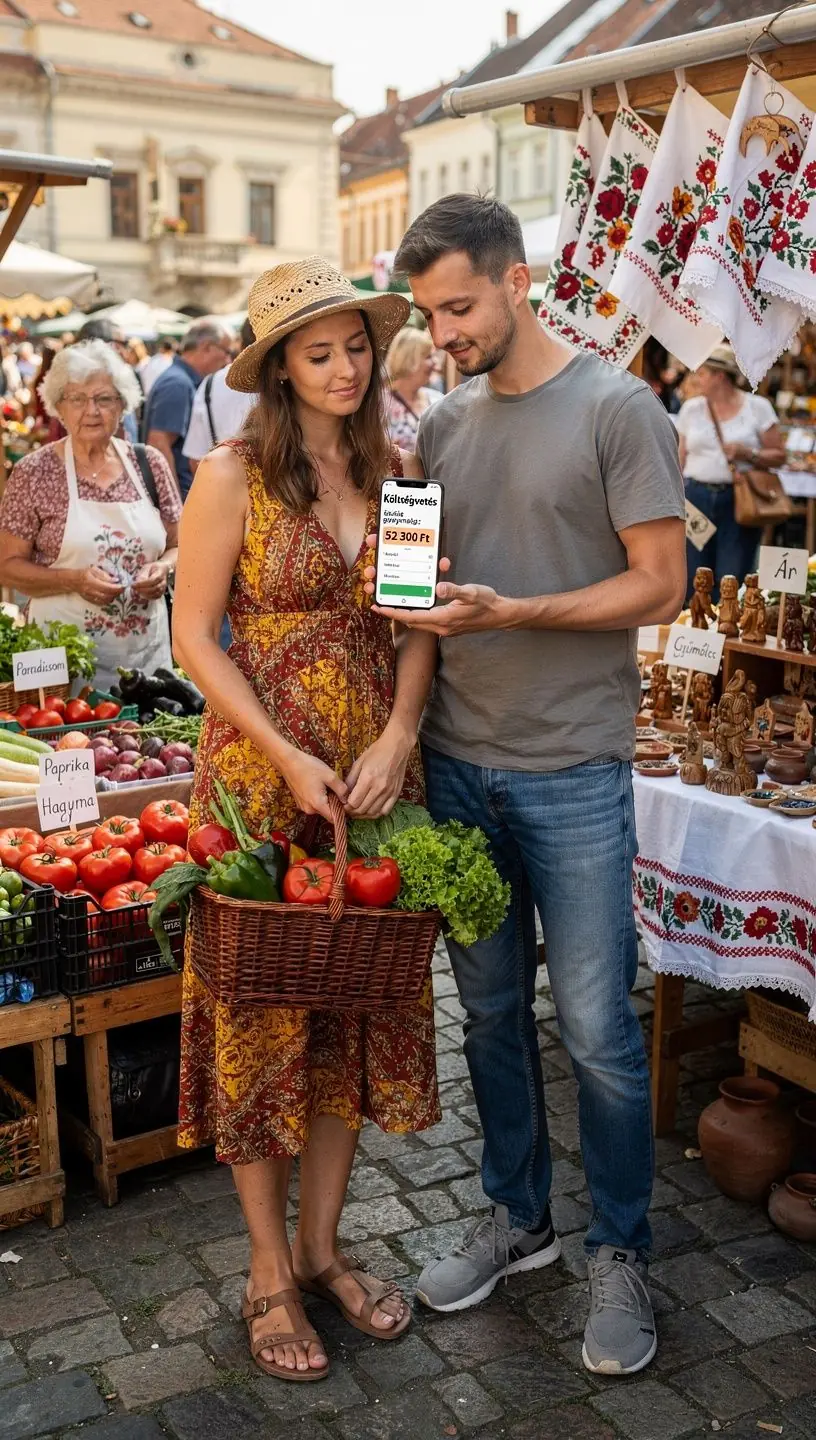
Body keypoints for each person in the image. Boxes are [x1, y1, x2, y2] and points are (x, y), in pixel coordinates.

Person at [367, 195, 686, 1377]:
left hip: (574, 769)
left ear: (516, 283)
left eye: (459, 307)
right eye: (431, 315)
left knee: (599, 1032)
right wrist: (388, 590)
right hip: (459, 767)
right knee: (491, 1015)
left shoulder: (617, 408)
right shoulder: (441, 427)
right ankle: (518, 1220)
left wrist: (524, 609)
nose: (443, 333)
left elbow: (660, 585)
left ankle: (621, 1248)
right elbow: (418, 600)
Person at [172, 258, 440, 1385]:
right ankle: (269, 1270)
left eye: (357, 348)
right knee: (265, 1016)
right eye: (319, 351)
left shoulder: (404, 471)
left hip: (376, 781)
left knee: (347, 1006)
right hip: (259, 780)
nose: (343, 369)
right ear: (280, 364)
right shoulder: (232, 475)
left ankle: (327, 1249)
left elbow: (422, 625)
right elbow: (193, 638)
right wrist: (283, 754)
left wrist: (401, 736)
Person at [0, 338, 179, 690]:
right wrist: (74, 580)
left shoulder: (149, 464)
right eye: (77, 399)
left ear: (122, 405)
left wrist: (164, 568)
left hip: (146, 664)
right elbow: (7, 566)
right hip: (59, 665)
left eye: (104, 399)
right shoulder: (34, 472)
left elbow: (181, 544)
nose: (91, 410)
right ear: (58, 407)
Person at [677, 345, 785, 599]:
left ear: (720, 376)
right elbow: (679, 458)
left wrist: (748, 454)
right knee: (694, 575)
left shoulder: (758, 407)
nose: (696, 379)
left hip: (738, 500)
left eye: (702, 373)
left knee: (732, 576)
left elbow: (779, 456)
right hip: (696, 498)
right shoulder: (691, 409)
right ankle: (695, 632)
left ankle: (726, 631)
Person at [144, 320, 233, 500]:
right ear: (207, 347)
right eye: (225, 351)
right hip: (180, 497)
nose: (227, 360)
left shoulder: (181, 379)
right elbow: (159, 443)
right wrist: (174, 504)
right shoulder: (178, 384)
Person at [182, 318, 257, 476]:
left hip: (224, 489)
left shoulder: (210, 383)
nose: (227, 357)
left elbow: (196, 459)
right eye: (226, 351)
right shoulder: (294, 381)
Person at [384, 325, 439, 451]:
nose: (436, 364)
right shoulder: (379, 405)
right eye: (429, 357)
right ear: (410, 360)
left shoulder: (437, 399)